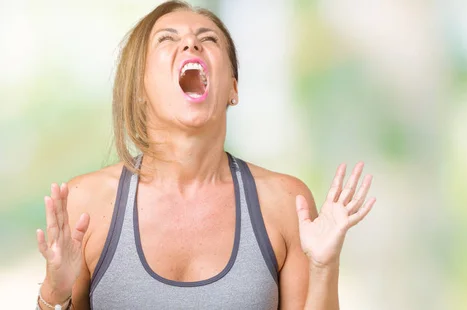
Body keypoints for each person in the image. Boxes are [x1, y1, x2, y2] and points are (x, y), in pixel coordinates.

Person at [35, 1, 376, 309]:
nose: (191, 43)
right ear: (139, 87)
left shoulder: (286, 202)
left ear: (233, 87)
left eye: (209, 39)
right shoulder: (86, 204)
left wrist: (323, 266)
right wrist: (54, 293)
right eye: (167, 39)